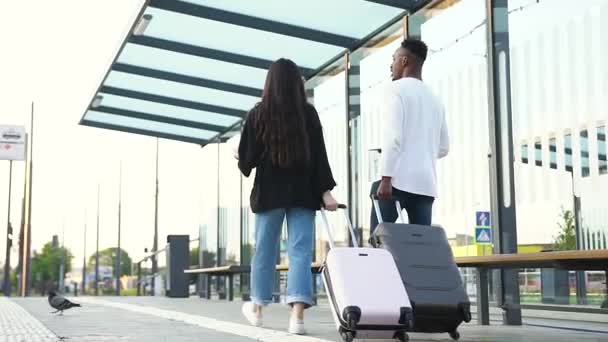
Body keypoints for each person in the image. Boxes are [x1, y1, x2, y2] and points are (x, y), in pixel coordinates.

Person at [237, 58, 338, 335]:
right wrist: (326, 191)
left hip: (270, 192)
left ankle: (257, 309)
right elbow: (319, 158)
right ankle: (297, 318)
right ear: (297, 83)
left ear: (270, 83)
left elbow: (248, 159)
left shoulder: (259, 113)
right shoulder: (308, 114)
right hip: (304, 193)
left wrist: (240, 154)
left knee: (265, 251)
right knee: (300, 252)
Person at [371, 38, 449, 232]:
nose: (391, 65)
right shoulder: (435, 98)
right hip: (426, 185)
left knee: (378, 243)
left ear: (404, 61)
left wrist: (386, 179)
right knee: (421, 249)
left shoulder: (394, 89)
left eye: (394, 59)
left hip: (396, 183)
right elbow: (444, 147)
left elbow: (393, 138)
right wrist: (419, 150)